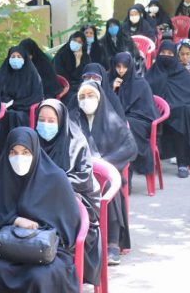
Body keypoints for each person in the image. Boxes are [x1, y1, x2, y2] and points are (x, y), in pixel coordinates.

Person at [0, 127, 81, 292]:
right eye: (13, 152)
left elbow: (69, 228)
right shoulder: (4, 177)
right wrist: (15, 220)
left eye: (25, 152)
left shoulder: (55, 179)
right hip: (9, 249)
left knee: (38, 276)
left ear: (35, 152)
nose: (19, 158)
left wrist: (38, 230)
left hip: (47, 251)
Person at [35, 99, 102, 285]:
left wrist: (53, 184)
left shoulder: (76, 143)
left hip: (76, 203)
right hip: (39, 200)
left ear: (61, 120)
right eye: (41, 120)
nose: (45, 125)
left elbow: (82, 179)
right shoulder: (32, 143)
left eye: (51, 121)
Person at [71, 81, 137, 264]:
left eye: (90, 95)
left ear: (99, 98)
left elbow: (130, 147)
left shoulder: (112, 119)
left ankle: (112, 242)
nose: (86, 100)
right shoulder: (73, 119)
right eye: (82, 97)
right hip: (80, 172)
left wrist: (105, 165)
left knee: (107, 185)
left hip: (106, 172)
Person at [145, 41, 190, 178]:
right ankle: (146, 162)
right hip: (155, 113)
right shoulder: (152, 73)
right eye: (163, 53)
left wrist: (179, 107)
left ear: (175, 56)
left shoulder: (182, 74)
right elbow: (144, 95)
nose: (166, 56)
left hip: (178, 114)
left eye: (170, 54)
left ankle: (183, 163)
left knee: (183, 117)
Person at [109, 52, 158, 177]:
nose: (121, 70)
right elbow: (106, 105)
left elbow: (147, 111)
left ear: (130, 67)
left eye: (124, 67)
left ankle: (127, 173)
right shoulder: (111, 81)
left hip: (139, 120)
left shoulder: (141, 84)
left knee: (125, 126)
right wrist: (112, 89)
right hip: (119, 119)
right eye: (118, 67)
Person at [0, 46, 43, 158]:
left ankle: (18, 149)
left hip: (25, 110)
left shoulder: (32, 75)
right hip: (4, 109)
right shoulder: (3, 73)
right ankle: (3, 154)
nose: (16, 59)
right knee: (4, 116)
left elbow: (36, 97)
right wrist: (4, 102)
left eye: (19, 57)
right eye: (13, 56)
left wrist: (15, 104)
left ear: (24, 59)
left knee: (14, 116)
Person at [53, 31, 90, 101]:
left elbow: (85, 75)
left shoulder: (85, 57)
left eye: (79, 42)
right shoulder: (61, 54)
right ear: (70, 40)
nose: (76, 43)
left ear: (83, 45)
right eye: (74, 40)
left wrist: (78, 60)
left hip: (80, 87)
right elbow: (60, 76)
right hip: (63, 87)